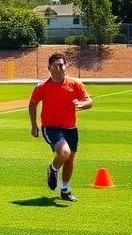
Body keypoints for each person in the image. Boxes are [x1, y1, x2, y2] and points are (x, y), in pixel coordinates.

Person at [28, 52, 92, 202]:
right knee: (64, 153)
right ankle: (53, 169)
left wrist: (82, 104)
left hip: (70, 128)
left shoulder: (75, 84)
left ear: (66, 66)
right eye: (56, 65)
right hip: (51, 127)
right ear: (49, 67)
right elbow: (32, 104)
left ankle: (64, 190)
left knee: (70, 160)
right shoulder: (42, 87)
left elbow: (89, 100)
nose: (59, 67)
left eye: (62, 64)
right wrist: (33, 125)